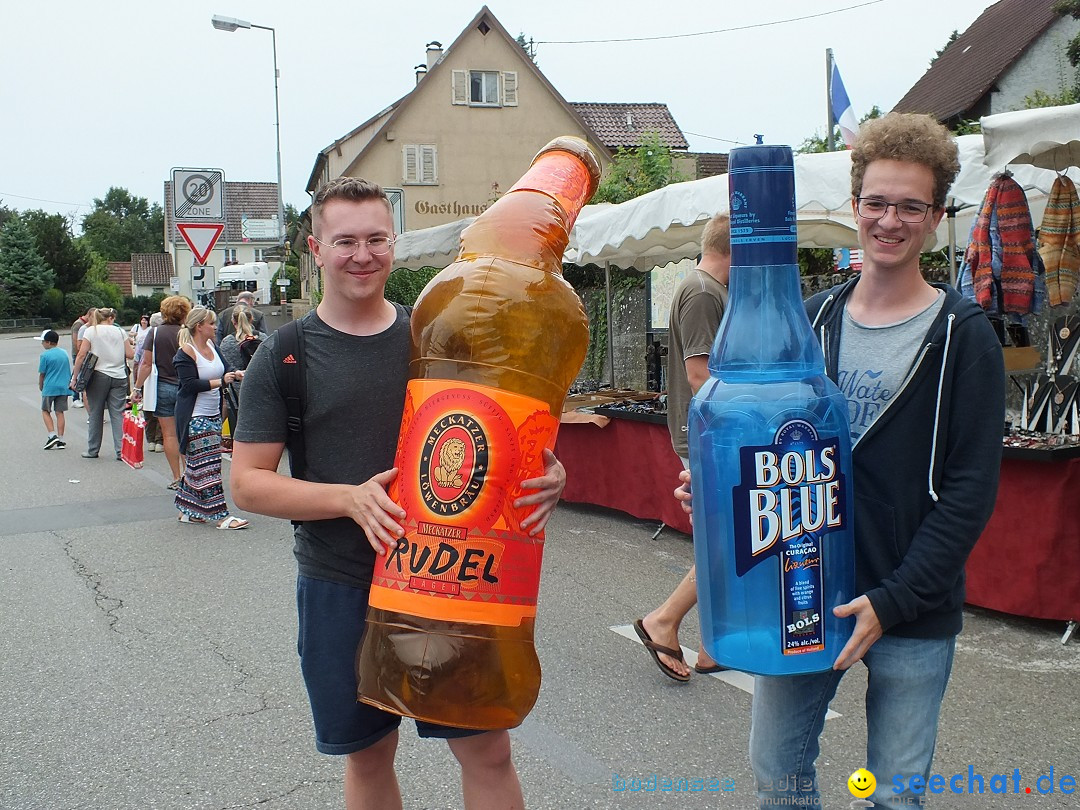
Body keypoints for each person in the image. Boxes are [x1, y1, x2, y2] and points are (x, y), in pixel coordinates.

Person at [675, 114, 1004, 808]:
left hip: (910, 605)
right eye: (877, 203)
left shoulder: (962, 332)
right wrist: (720, 487)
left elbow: (971, 491)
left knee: (892, 794)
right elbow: (776, 455)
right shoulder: (812, 320)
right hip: (805, 594)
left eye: (911, 205)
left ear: (937, 214)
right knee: (778, 776)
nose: (891, 220)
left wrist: (893, 602)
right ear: (854, 207)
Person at [231, 176, 566, 810]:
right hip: (341, 582)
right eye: (345, 240)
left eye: (377, 239)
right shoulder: (286, 355)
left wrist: (550, 477)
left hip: (456, 581)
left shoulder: (437, 337)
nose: (363, 254)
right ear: (316, 247)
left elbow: (501, 433)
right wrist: (349, 499)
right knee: (369, 755)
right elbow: (247, 483)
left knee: (487, 749)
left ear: (395, 244)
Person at [635, 213, 730, 682]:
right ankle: (664, 620)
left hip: (709, 434)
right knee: (725, 543)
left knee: (724, 540)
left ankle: (710, 644)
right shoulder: (703, 292)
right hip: (708, 436)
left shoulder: (708, 289)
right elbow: (700, 375)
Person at [172, 307, 248, 529]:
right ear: (199, 326)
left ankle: (187, 510)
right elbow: (189, 385)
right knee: (209, 466)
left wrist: (236, 373)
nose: (215, 327)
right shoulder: (186, 353)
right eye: (211, 324)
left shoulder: (213, 347)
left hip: (214, 413)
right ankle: (221, 515)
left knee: (198, 465)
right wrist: (222, 381)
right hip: (195, 417)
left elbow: (225, 368)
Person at [134, 296, 192, 488]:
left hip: (164, 387)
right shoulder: (188, 333)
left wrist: (136, 388)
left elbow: (146, 364)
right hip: (187, 387)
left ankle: (176, 477)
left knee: (169, 435)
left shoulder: (155, 332)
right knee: (188, 433)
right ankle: (191, 476)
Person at [71, 308, 133, 460]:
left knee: (96, 413)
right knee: (118, 413)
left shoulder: (91, 331)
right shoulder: (120, 332)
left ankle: (93, 450)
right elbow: (130, 354)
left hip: (98, 375)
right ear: (111, 318)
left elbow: (81, 354)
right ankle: (121, 451)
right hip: (119, 376)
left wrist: (75, 377)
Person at [38, 329, 71, 450]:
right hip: (63, 387)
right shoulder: (64, 353)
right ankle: (61, 438)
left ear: (49, 342)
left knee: (45, 410)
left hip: (50, 387)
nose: (42, 344)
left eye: (43, 342)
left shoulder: (45, 355)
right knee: (60, 412)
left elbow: (42, 373)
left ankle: (52, 435)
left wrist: (41, 385)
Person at [69, 307, 96, 408]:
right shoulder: (79, 324)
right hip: (79, 354)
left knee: (84, 377)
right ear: (89, 316)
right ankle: (75, 398)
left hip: (87, 355)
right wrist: (80, 354)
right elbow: (76, 342)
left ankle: (81, 396)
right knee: (79, 376)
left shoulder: (93, 326)